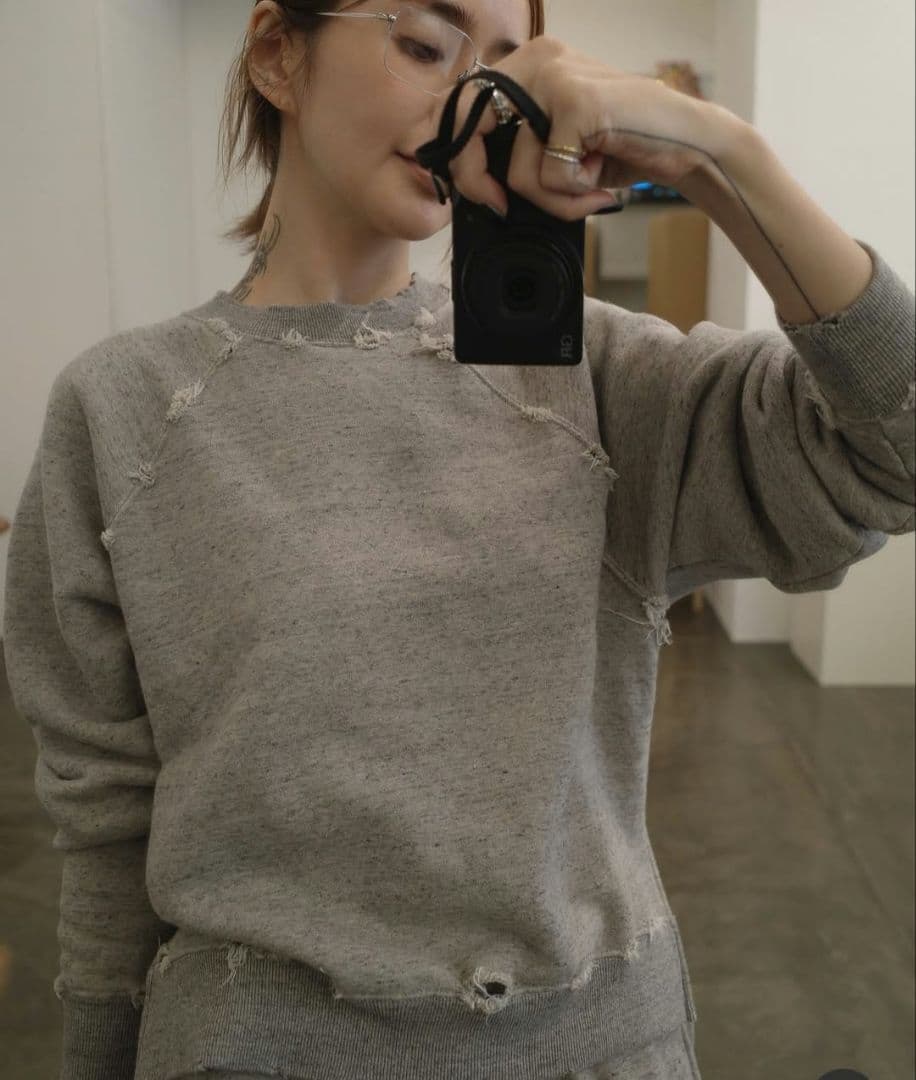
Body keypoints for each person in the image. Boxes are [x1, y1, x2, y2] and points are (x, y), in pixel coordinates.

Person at [3, 1, 913, 1078]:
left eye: (505, 70)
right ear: (278, 54)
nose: (471, 109)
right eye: (425, 47)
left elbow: (891, 453)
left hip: (591, 1049)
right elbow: (106, 825)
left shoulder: (592, 381)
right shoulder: (124, 411)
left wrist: (720, 156)